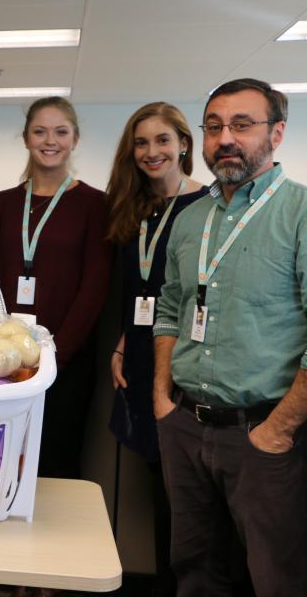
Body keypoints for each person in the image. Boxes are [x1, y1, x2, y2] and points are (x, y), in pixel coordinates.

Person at [153, 78, 307, 596]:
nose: (225, 138)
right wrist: (160, 397)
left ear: (277, 132)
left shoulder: (300, 212)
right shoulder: (189, 217)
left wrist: (278, 430)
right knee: (194, 571)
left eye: (242, 125)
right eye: (214, 126)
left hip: (264, 434)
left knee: (276, 578)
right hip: (187, 426)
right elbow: (171, 308)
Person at [0, 96, 112, 480]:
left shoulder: (94, 205)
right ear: (26, 138)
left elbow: (94, 287)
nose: (49, 140)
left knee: (57, 461)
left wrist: (54, 357)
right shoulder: (2, 205)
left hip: (64, 362)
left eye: (60, 131)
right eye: (39, 131)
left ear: (75, 139)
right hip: (1, 359)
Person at [104, 102, 206, 596]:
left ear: (184, 144)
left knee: (186, 494)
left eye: (163, 140)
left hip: (184, 360)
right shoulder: (134, 206)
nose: (152, 152)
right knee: (157, 483)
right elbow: (136, 290)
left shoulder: (207, 206)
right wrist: (124, 341)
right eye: (141, 143)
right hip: (141, 356)